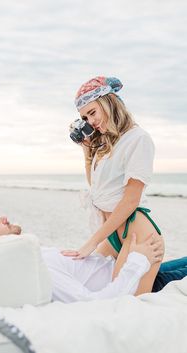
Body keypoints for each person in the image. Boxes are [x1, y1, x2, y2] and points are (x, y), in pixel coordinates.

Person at [63, 76, 164, 295]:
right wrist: (87, 151)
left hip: (137, 233)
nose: (90, 122)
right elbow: (98, 190)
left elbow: (130, 200)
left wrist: (91, 243)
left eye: (92, 113)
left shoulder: (138, 139)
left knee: (124, 302)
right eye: (84, 117)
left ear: (108, 103)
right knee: (103, 289)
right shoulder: (106, 144)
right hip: (112, 236)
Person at [0, 210, 187, 302]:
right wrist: (137, 261)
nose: (3, 217)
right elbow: (94, 303)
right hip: (142, 281)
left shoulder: (32, 254)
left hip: (125, 266)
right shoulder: (36, 272)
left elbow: (83, 271)